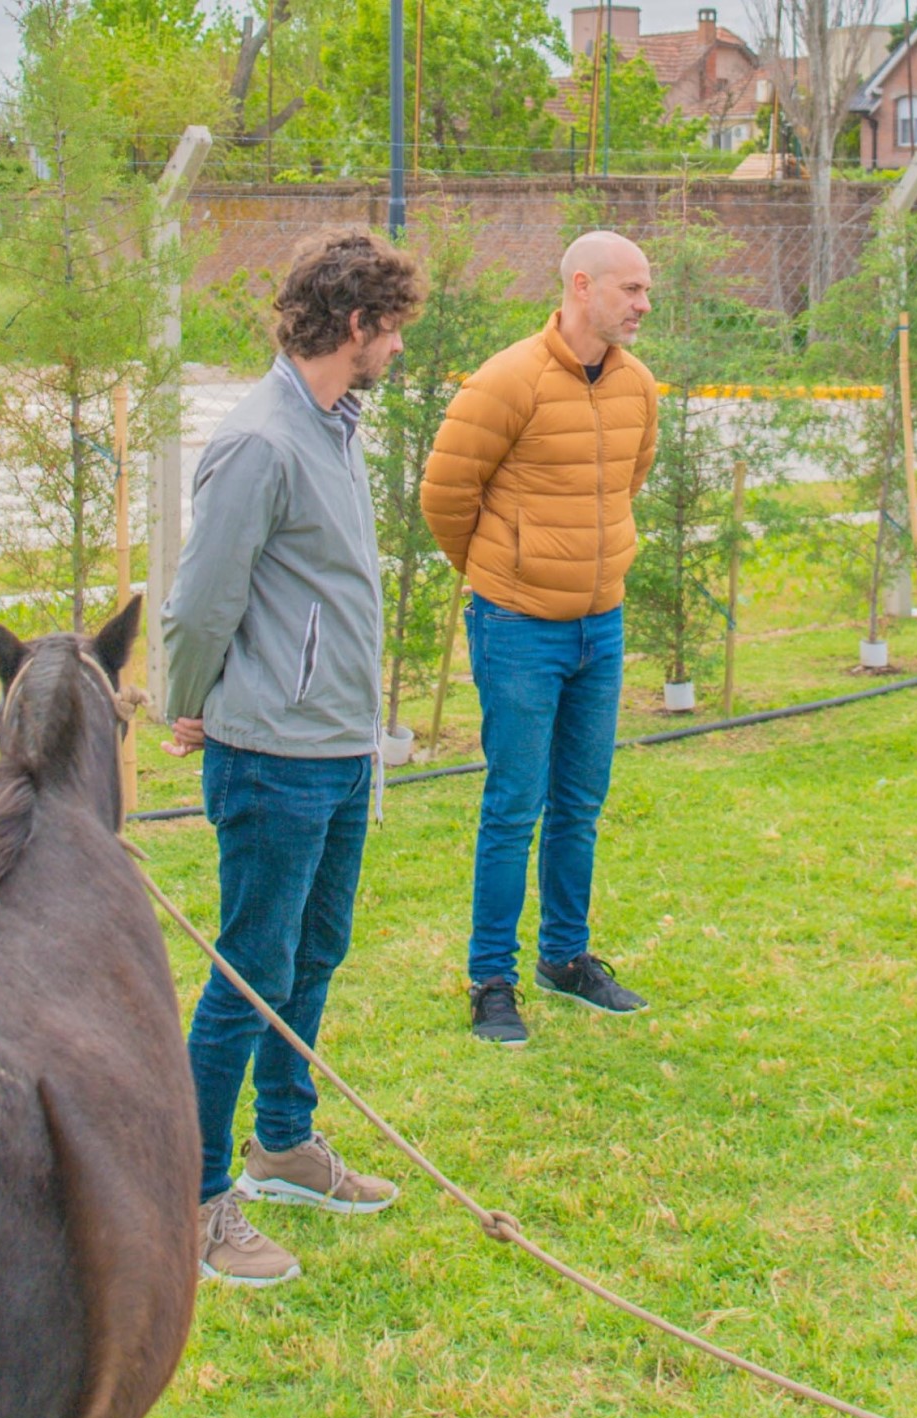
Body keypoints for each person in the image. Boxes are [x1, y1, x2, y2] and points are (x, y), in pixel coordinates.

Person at [161, 230, 426, 1284]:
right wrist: (189, 704)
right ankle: (190, 1199)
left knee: (314, 955)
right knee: (249, 972)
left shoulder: (333, 424)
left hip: (337, 749)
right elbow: (201, 600)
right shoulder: (263, 441)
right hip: (272, 756)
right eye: (394, 327)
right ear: (356, 325)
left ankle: (283, 1145)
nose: (401, 347)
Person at [420, 231, 659, 1047]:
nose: (642, 305)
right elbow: (446, 494)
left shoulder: (637, 388)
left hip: (602, 624)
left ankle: (566, 958)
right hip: (518, 627)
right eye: (630, 289)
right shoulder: (506, 380)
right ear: (581, 286)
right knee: (514, 804)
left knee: (580, 804)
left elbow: (628, 479)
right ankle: (492, 978)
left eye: (646, 290)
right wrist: (503, 571)